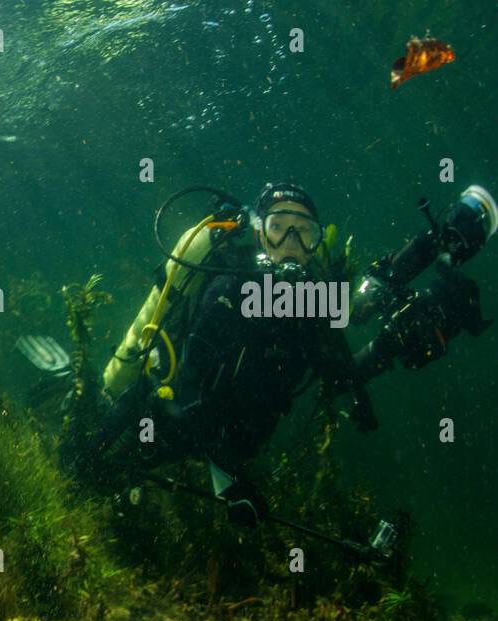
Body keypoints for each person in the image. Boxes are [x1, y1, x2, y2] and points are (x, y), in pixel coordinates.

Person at [66, 181, 492, 526]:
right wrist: (229, 480)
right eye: (278, 228)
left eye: (303, 232)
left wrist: (389, 343)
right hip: (163, 425)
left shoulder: (309, 305)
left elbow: (343, 371)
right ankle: (80, 420)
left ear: (314, 244)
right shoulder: (232, 286)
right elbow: (187, 395)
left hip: (228, 441)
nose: (290, 242)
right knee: (88, 473)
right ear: (258, 234)